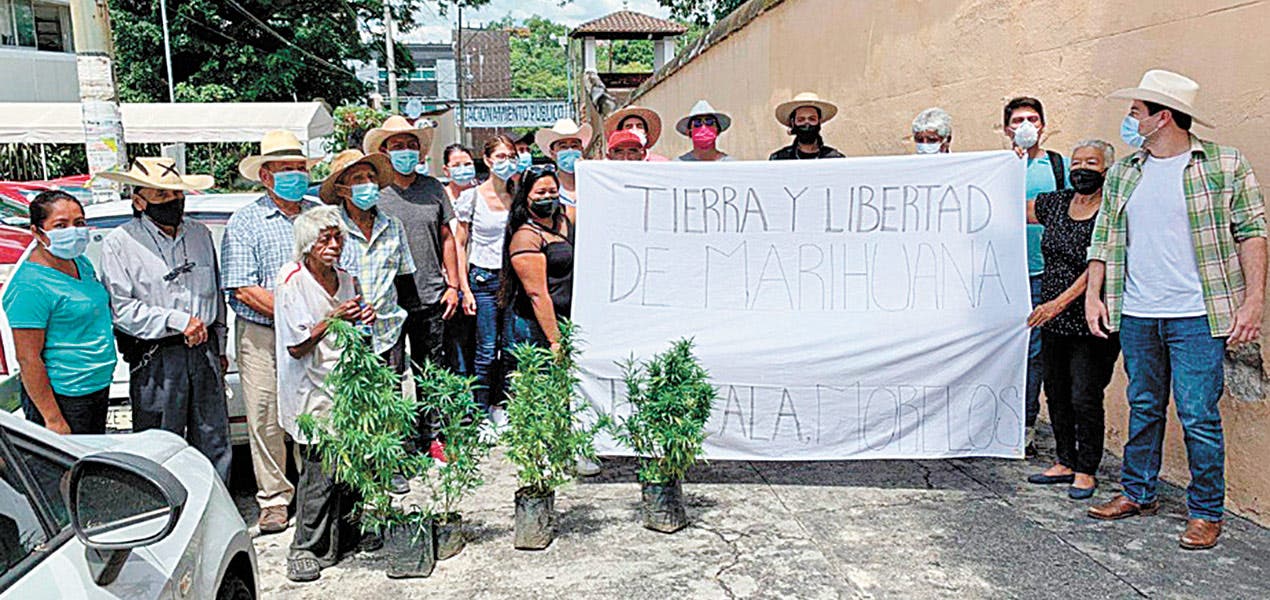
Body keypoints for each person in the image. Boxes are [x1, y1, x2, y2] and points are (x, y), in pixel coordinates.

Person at [1085, 70, 1266, 551]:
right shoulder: (1126, 171)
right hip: (1138, 312)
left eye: (1136, 111)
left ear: (1162, 117)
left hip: (1198, 315)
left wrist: (1253, 300)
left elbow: (1252, 232)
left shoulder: (1224, 165)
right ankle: (1137, 492)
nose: (1129, 120)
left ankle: (1206, 511)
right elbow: (1104, 237)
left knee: (1197, 413)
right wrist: (1093, 295)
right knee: (1144, 404)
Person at [98, 158, 232, 483]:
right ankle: (165, 516)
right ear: (139, 201)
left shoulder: (199, 235)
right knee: (160, 441)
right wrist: (175, 320)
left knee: (214, 437)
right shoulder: (120, 243)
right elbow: (121, 309)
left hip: (204, 352)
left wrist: (221, 344)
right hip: (156, 354)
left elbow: (215, 292)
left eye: (176, 194)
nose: (172, 202)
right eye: (160, 197)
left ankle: (219, 511)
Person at [222, 129, 321, 534]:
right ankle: (275, 500)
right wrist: (295, 315)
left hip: (317, 334)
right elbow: (243, 287)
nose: (296, 176)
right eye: (287, 170)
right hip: (263, 334)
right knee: (265, 416)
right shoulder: (246, 221)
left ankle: (316, 492)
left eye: (300, 168)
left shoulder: (317, 212)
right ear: (266, 176)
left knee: (315, 411)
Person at [274, 205, 378, 583]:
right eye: (325, 238)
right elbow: (297, 344)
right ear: (307, 243)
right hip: (310, 389)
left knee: (351, 464)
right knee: (320, 470)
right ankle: (304, 546)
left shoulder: (346, 279)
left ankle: (345, 537)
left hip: (345, 385)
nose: (333, 245)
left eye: (338, 238)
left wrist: (365, 318)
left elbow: (360, 326)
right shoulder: (292, 279)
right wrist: (337, 317)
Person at [363, 115, 462, 464]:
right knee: (389, 374)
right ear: (384, 151)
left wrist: (453, 284)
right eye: (397, 146)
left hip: (431, 293)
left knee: (431, 369)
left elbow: (448, 237)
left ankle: (433, 436)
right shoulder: (374, 193)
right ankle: (396, 445)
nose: (405, 151)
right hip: (386, 301)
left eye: (410, 145)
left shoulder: (433, 188)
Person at [1024, 141, 1119, 500]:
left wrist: (1058, 304)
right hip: (1052, 317)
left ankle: (1086, 468)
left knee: (1085, 394)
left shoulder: (1111, 208)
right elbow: (1014, 210)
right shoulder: (1058, 202)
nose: (1082, 168)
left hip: (1090, 317)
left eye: (1091, 162)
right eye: (1076, 161)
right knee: (1056, 390)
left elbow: (1098, 259)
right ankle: (1064, 459)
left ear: (1106, 169)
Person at [498, 166, 598, 476]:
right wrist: (555, 341)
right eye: (540, 193)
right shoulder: (525, 237)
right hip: (535, 327)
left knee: (568, 391)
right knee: (541, 391)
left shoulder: (565, 219)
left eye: (552, 191)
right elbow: (537, 294)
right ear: (525, 197)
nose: (548, 197)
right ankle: (542, 458)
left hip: (565, 320)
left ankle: (569, 448)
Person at [2, 191, 115, 434]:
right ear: (37, 231)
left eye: (79, 223)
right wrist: (52, 419)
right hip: (64, 396)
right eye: (61, 225)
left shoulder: (80, 263)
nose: (73, 231)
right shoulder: (30, 286)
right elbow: (28, 358)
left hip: (95, 387)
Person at [1004, 96, 1070, 454]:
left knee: (1034, 354)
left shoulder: (1058, 166)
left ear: (1043, 125)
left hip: (1043, 272)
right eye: (1017, 120)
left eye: (1032, 118)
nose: (1025, 125)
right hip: (1000, 273)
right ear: (1005, 129)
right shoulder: (996, 165)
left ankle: (1024, 423)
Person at [318, 150, 414, 370]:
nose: (368, 184)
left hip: (388, 330)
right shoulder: (330, 228)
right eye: (358, 179)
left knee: (390, 397)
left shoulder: (392, 226)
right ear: (342, 189)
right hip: (344, 335)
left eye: (371, 177)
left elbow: (402, 278)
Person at [454, 137, 516, 426]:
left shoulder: (518, 194)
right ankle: (479, 413)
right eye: (501, 156)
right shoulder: (472, 197)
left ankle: (500, 404)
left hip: (513, 279)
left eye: (511, 156)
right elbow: (460, 243)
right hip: (483, 278)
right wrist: (464, 288)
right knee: (487, 348)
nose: (506, 161)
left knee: (512, 346)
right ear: (488, 160)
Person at [441, 144, 479, 375]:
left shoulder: (484, 193)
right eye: (456, 165)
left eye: (467, 164)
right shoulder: (439, 197)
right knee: (454, 346)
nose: (463, 170)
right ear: (446, 170)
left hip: (479, 278)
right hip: (449, 283)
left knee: (480, 344)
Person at [534, 118, 592, 221]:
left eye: (574, 146)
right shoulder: (545, 187)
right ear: (552, 153)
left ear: (581, 150)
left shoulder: (593, 183)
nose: (570, 150)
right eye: (563, 147)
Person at [769, 92, 845, 160]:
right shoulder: (779, 159)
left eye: (812, 119)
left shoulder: (835, 158)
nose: (807, 123)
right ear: (793, 123)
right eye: (801, 119)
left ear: (819, 121)